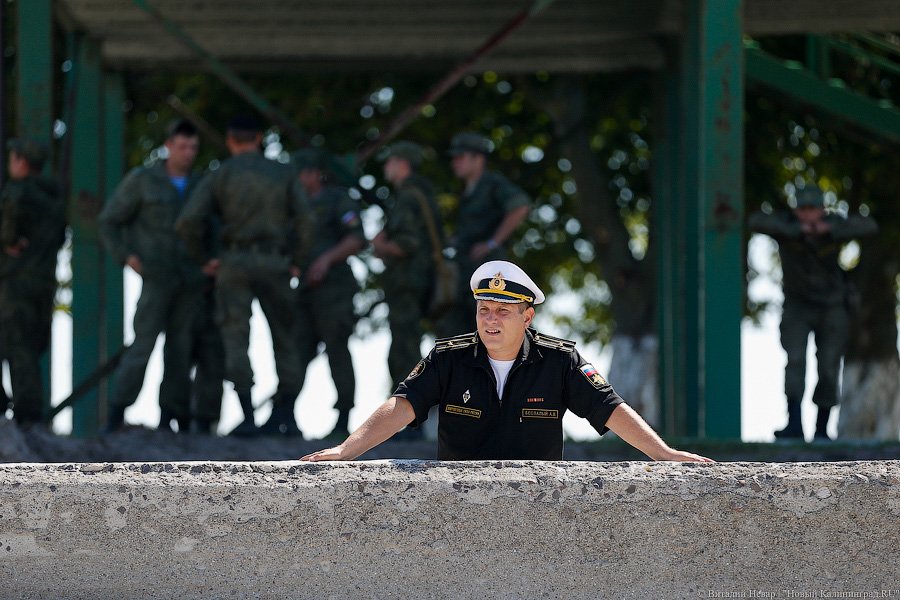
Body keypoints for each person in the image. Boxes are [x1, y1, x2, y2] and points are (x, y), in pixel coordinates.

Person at [302, 260, 712, 462]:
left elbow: (609, 408)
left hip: (537, 501)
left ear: (526, 316)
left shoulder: (560, 360)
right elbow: (402, 406)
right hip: (457, 499)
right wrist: (346, 451)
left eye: (502, 310)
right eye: (484, 309)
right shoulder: (449, 357)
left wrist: (664, 454)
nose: (491, 319)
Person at [175, 116, 313, 437]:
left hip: (234, 262)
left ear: (230, 140)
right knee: (285, 337)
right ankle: (287, 417)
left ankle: (248, 416)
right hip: (275, 262)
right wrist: (297, 261)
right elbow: (306, 221)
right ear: (260, 138)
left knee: (236, 336)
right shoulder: (283, 173)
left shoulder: (221, 174)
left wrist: (204, 260)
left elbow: (187, 222)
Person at [100, 120, 207, 432]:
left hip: (190, 280)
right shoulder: (143, 180)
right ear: (169, 145)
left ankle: (170, 418)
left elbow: (211, 227)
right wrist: (127, 256)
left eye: (193, 148)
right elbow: (109, 221)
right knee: (143, 345)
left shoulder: (200, 184)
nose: (188, 153)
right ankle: (116, 415)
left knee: (180, 349)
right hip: (156, 276)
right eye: (183, 146)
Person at [748, 185, 878, 441]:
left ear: (822, 209)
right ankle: (794, 424)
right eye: (803, 209)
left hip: (831, 306)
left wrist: (829, 230)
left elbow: (868, 226)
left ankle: (822, 428)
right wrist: (797, 230)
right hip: (797, 306)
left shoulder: (833, 225)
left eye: (813, 209)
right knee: (795, 361)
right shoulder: (787, 225)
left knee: (829, 365)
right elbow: (757, 221)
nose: (808, 215)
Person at [277, 148, 364, 439]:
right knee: (296, 350)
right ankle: (284, 414)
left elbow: (356, 237)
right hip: (304, 292)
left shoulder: (338, 199)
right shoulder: (294, 205)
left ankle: (343, 419)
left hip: (334, 290)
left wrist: (326, 260)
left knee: (337, 349)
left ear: (314, 174)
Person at [437, 132, 531, 337]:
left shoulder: (493, 184)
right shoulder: (466, 192)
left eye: (460, 157)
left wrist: (491, 243)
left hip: (489, 274)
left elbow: (520, 206)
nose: (455, 163)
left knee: (494, 332)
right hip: (465, 274)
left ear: (478, 159)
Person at [0, 138, 66, 426]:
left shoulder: (17, 191)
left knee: (17, 348)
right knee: (27, 348)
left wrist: (9, 241)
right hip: (43, 285)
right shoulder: (53, 199)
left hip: (15, 283)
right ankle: (27, 413)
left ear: (21, 162)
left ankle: (25, 414)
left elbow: (7, 232)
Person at [372, 141, 443, 386]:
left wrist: (381, 246)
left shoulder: (406, 197)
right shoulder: (423, 194)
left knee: (404, 350)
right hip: (419, 279)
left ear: (402, 164)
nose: (385, 167)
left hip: (406, 281)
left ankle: (409, 412)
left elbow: (407, 243)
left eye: (389, 161)